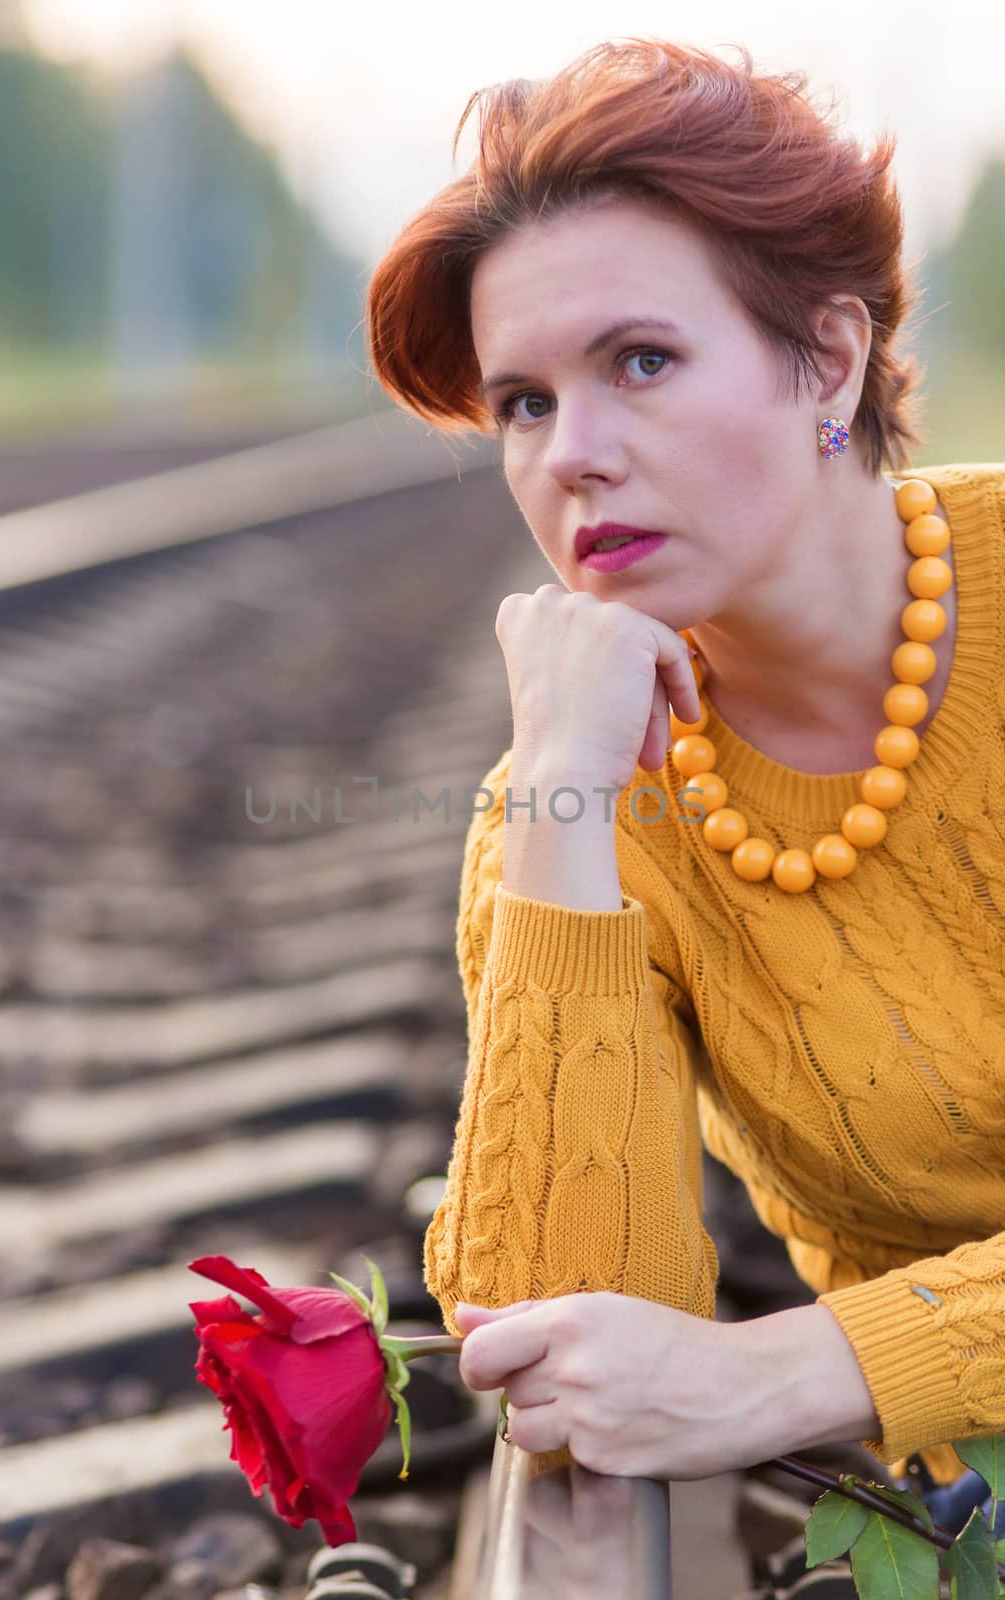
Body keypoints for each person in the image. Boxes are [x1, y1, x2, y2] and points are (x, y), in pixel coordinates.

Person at [365, 36, 1005, 1508]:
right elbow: (558, 1347)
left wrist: (790, 1370)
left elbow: (700, 1380)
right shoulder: (581, 801)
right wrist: (562, 803)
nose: (572, 454)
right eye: (522, 402)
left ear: (827, 359)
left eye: (641, 362)